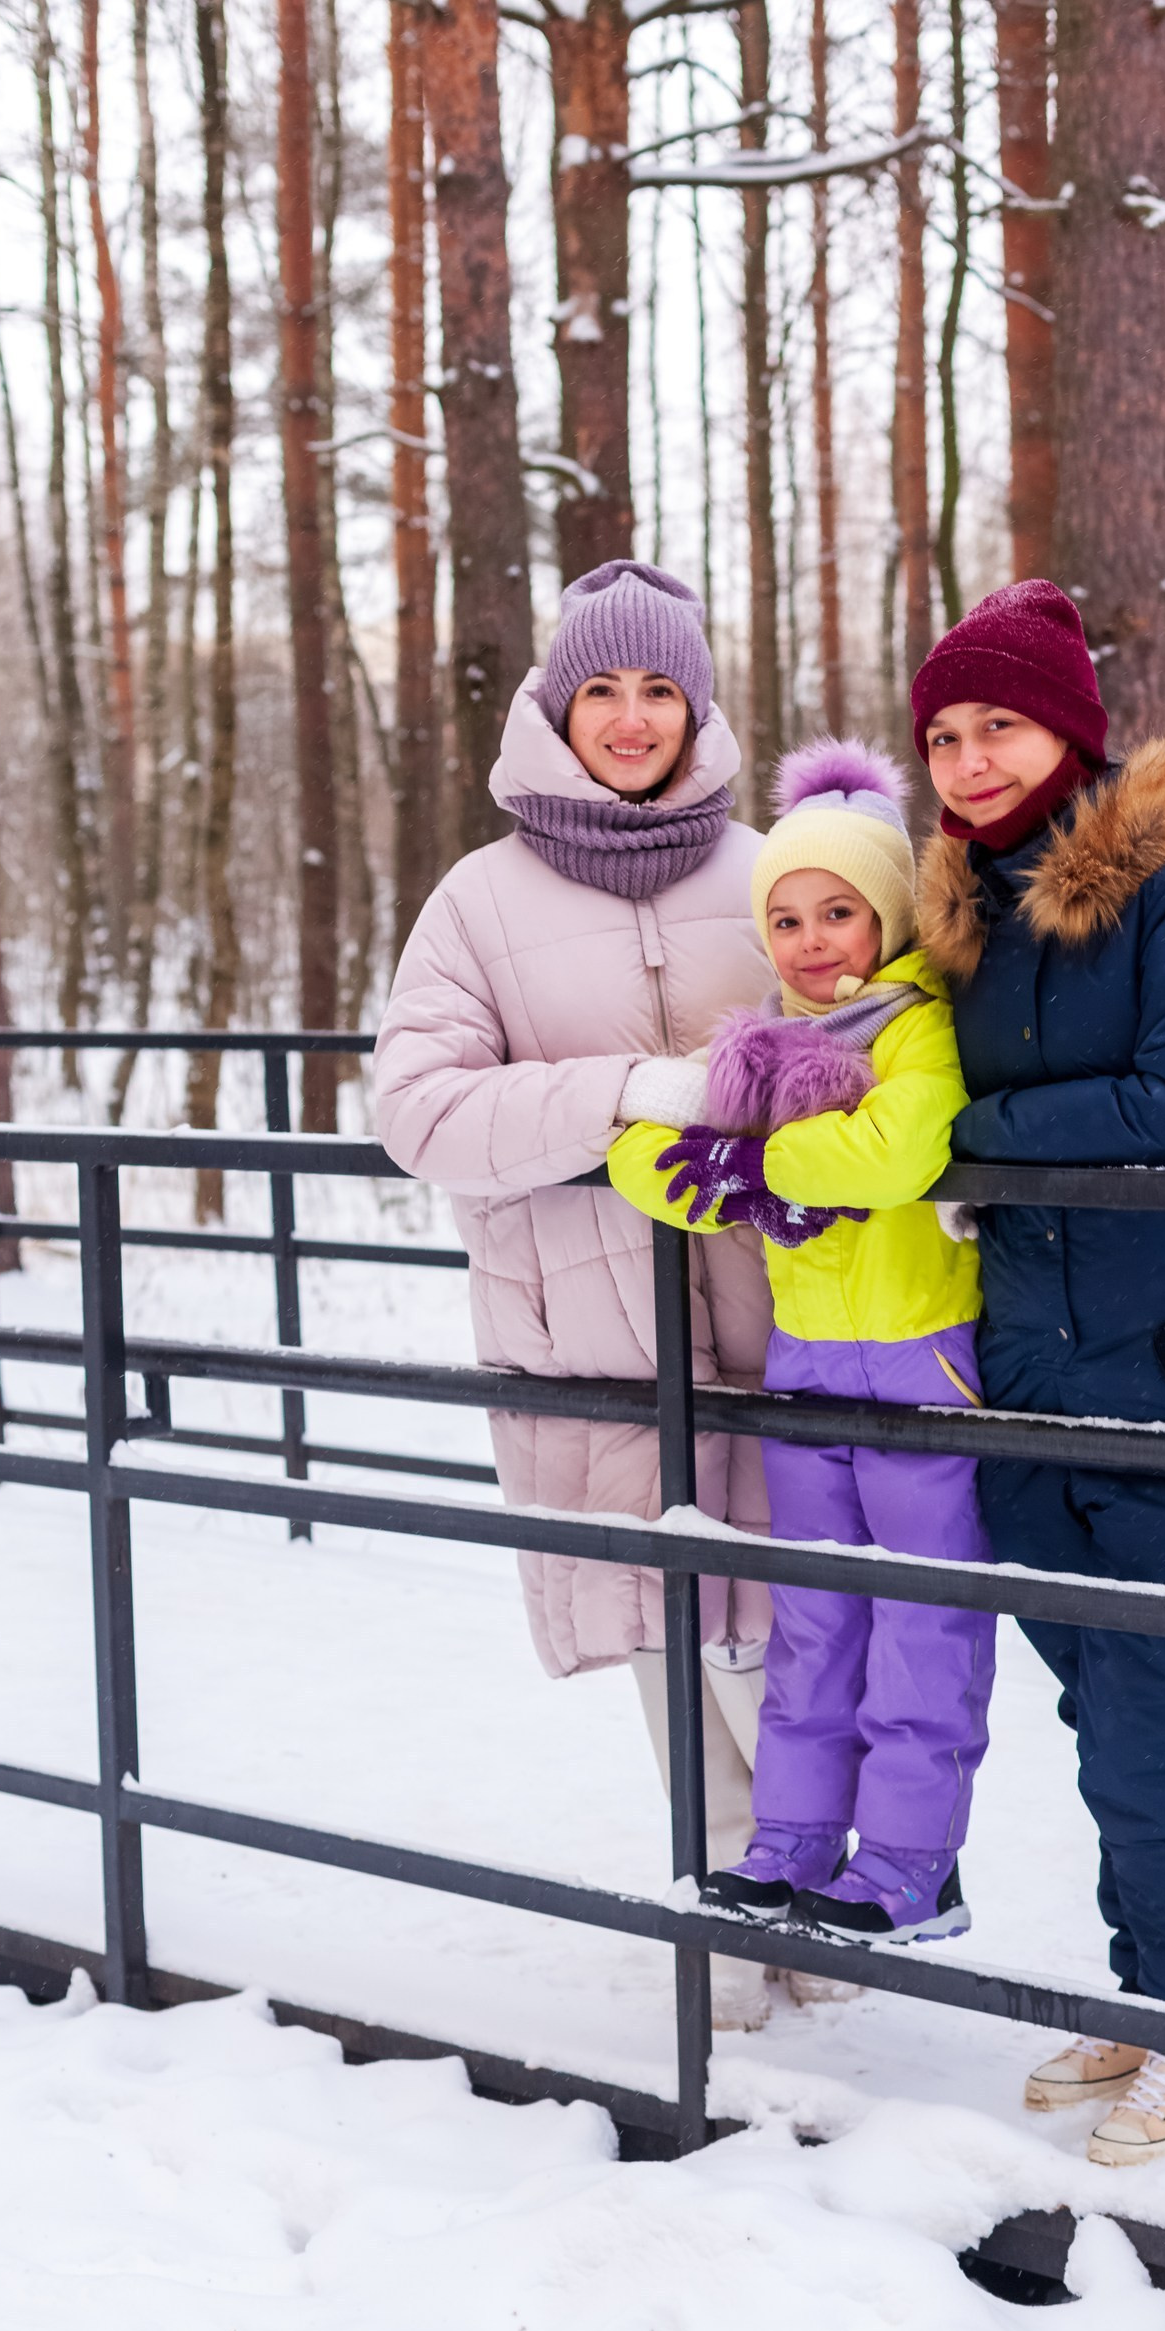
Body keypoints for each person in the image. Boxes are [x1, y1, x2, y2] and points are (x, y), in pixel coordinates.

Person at [911, 579, 1165, 2164]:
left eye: (995, 723)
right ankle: (1148, 1994)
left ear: (1066, 729)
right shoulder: (965, 917)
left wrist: (962, 1144)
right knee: (1094, 1695)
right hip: (1029, 1360)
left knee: (1158, 1696)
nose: (965, 757)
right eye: (940, 732)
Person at [374, 560, 781, 2031]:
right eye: (600, 690)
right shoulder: (477, 901)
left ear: (696, 705)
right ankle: (731, 1925)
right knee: (671, 1640)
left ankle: (817, 1907)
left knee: (792, 1636)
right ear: (555, 704)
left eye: (656, 689)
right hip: (590, 1342)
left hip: (784, 1334)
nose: (628, 718)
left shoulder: (772, 874)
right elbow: (418, 1112)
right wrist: (626, 1092)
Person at [608, 739, 997, 1946]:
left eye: (841, 912)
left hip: (922, 1361)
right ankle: (789, 1844)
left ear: (886, 919)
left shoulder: (922, 1030)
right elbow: (639, 1159)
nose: (814, 939)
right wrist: (736, 1169)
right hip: (807, 1369)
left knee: (923, 1624)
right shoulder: (760, 1047)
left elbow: (895, 1150)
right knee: (814, 1617)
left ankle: (909, 1863)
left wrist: (754, 1167)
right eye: (787, 917)